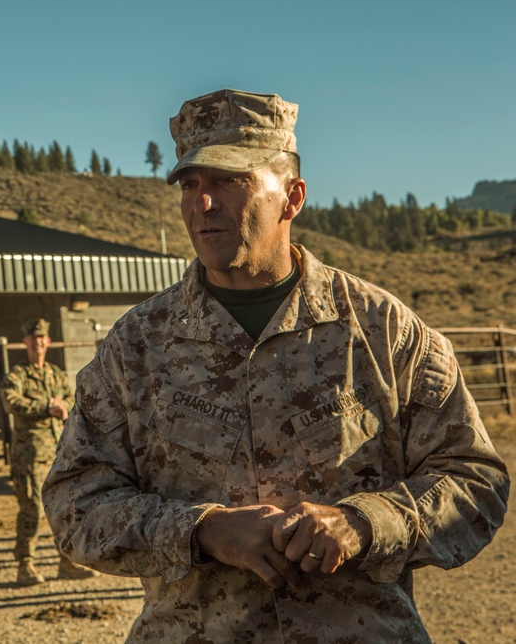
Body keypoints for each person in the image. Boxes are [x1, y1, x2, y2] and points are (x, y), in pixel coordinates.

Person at [42, 88, 510, 642]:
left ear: (293, 197)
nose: (203, 203)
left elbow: (474, 483)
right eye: (191, 184)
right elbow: (76, 504)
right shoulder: (135, 347)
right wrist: (202, 530)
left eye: (229, 181)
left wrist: (364, 523)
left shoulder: (384, 331)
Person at [1, 317, 99, 585]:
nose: (39, 342)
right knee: (31, 507)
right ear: (25, 342)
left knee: (63, 506)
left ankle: (66, 562)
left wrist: (62, 406)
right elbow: (12, 401)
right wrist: (46, 406)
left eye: (43, 338)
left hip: (58, 452)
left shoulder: (55, 373)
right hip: (29, 453)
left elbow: (70, 397)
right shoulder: (17, 375)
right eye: (34, 338)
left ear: (48, 341)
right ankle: (25, 564)